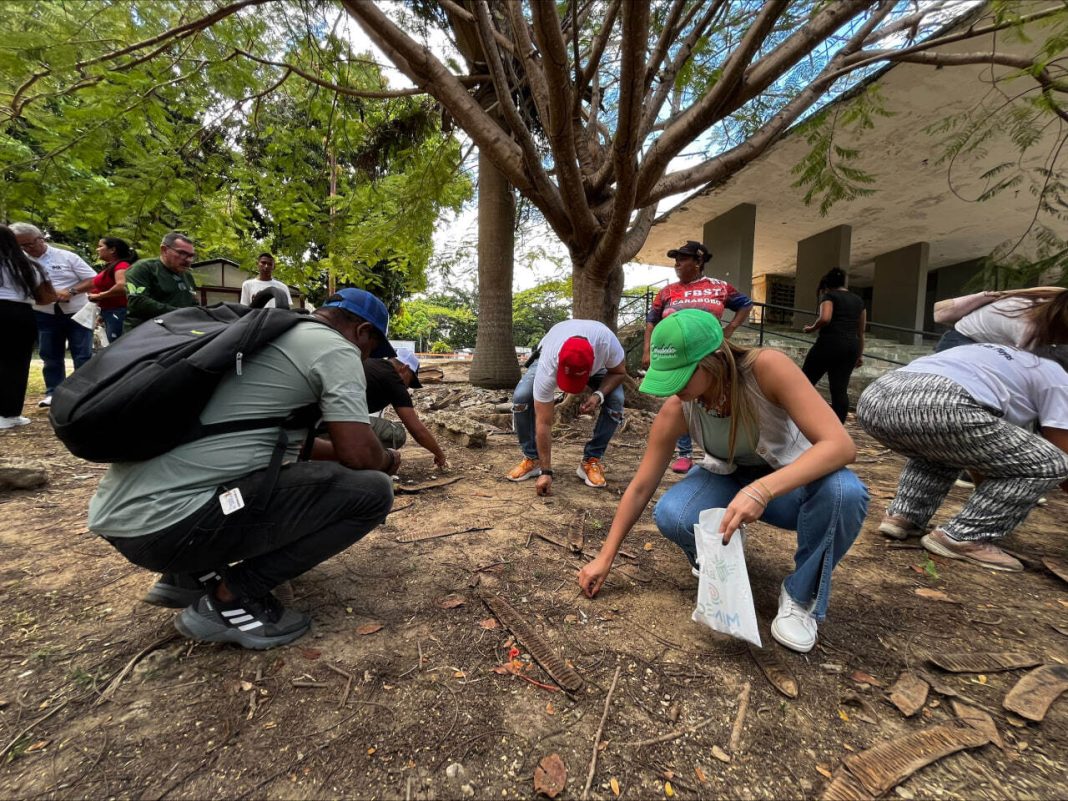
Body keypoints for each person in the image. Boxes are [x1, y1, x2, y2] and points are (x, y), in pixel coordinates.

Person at [88, 288, 400, 649]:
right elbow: (358, 453)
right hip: (170, 527)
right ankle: (231, 598)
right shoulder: (335, 348)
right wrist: (388, 461)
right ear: (363, 332)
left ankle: (187, 576)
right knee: (372, 493)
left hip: (128, 518)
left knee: (264, 475)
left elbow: (285, 445)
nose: (367, 358)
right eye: (371, 349)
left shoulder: (267, 338)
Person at [578, 310, 868, 653]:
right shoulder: (679, 407)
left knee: (844, 492)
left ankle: (800, 596)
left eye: (682, 377)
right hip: (728, 480)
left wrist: (763, 489)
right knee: (675, 513)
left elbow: (840, 445)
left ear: (713, 360)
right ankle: (719, 561)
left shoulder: (766, 369)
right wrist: (606, 556)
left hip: (790, 487)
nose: (676, 389)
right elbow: (642, 486)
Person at [857, 343, 1068, 572]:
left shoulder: (1006, 357)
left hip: (875, 399)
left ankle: (903, 516)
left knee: (942, 449)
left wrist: (989, 492)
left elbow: (981, 453)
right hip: (939, 402)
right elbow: (1061, 451)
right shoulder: (1058, 377)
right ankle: (965, 537)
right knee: (1051, 462)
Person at [642, 240, 753, 473]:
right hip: (678, 357)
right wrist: (648, 351)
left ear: (699, 261)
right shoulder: (667, 292)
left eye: (683, 258)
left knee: (715, 397)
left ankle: (717, 450)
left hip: (711, 354)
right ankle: (684, 453)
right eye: (676, 259)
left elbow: (745, 304)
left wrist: (730, 328)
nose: (677, 264)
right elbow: (651, 322)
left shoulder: (720, 287)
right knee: (682, 399)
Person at [508, 319, 627, 491]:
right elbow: (544, 421)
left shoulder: (607, 344)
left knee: (616, 401)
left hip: (597, 364)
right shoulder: (549, 363)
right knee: (522, 397)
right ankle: (533, 459)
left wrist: (598, 395)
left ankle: (591, 460)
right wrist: (546, 471)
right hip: (550, 356)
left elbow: (619, 372)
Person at [11, 223, 98, 407]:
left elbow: (93, 279)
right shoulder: (19, 262)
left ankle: (83, 392)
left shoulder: (67, 257)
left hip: (77, 311)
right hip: (44, 313)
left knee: (82, 353)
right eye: (21, 246)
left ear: (40, 238)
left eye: (29, 244)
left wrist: (71, 290)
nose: (27, 249)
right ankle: (54, 392)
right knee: (50, 354)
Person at [0, 226, 57, 429]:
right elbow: (47, 297)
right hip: (19, 314)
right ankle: (9, 414)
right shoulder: (29, 264)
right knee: (16, 364)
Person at [363, 347, 448, 468]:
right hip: (341, 425)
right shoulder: (394, 380)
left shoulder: (370, 362)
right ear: (405, 368)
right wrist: (440, 454)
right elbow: (417, 431)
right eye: (410, 380)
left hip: (331, 418)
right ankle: (367, 461)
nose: (408, 387)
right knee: (397, 433)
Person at [801, 267, 867, 422]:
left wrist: (811, 328)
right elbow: (861, 331)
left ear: (827, 284)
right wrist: (859, 354)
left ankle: (800, 420)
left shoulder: (829, 296)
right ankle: (838, 427)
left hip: (829, 344)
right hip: (851, 346)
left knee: (805, 382)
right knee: (839, 390)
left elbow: (825, 318)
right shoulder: (859, 301)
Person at [933, 287, 1066, 352]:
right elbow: (1034, 366)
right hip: (962, 341)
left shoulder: (1054, 301)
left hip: (991, 347)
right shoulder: (1029, 325)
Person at [123, 231, 199, 329]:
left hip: (179, 331)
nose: (188, 260)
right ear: (164, 250)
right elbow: (137, 302)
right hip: (145, 332)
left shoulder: (187, 275)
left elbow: (192, 302)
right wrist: (180, 313)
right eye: (182, 253)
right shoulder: (143, 268)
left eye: (191, 256)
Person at [87, 237, 137, 342]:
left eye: (100, 246)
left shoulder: (121, 265)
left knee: (118, 345)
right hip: (110, 312)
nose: (97, 249)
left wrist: (99, 296)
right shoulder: (111, 266)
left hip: (119, 312)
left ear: (112, 250)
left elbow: (122, 286)